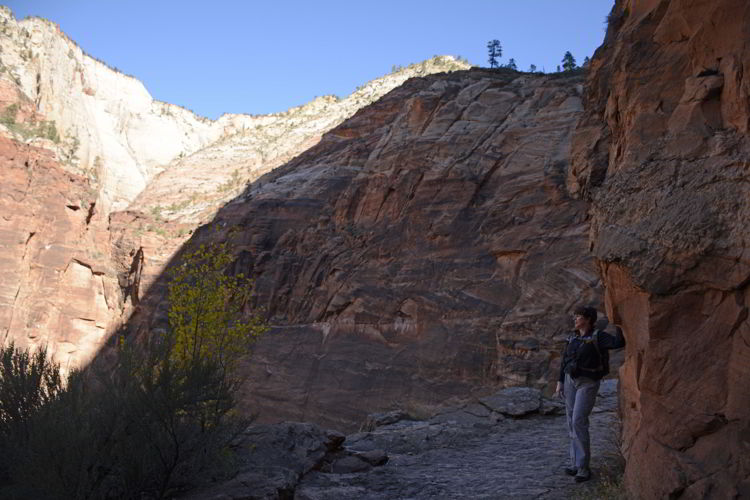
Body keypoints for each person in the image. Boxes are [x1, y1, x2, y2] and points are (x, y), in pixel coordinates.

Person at [554, 305, 625, 483]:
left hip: (588, 382)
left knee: (578, 420)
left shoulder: (598, 336)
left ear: (588, 319)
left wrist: (619, 324)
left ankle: (584, 467)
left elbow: (618, 343)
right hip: (571, 381)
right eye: (575, 316)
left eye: (578, 317)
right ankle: (575, 464)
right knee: (571, 420)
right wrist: (560, 382)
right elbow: (565, 361)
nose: (575, 319)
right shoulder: (573, 338)